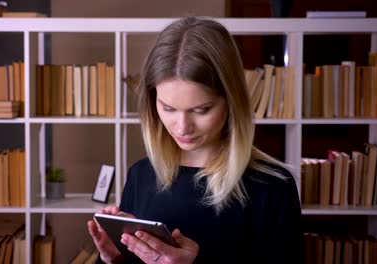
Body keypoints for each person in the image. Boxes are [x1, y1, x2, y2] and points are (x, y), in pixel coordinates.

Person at [87, 16, 303, 264]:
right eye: (168, 108)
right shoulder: (141, 175)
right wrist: (112, 259)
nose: (182, 127)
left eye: (201, 110)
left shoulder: (272, 188)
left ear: (232, 103)